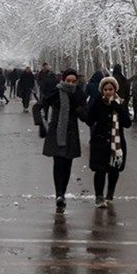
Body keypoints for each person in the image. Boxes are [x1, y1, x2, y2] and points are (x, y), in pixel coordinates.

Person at [33, 68, 87, 212]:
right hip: (57, 132)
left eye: (73, 81)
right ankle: (59, 194)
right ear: (63, 80)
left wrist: (79, 110)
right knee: (58, 163)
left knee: (67, 164)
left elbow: (85, 115)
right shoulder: (55, 92)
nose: (70, 83)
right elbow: (38, 107)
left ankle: (62, 192)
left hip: (71, 134)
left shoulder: (79, 94)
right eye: (68, 81)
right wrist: (40, 124)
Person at [86, 76, 131, 208]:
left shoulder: (120, 103)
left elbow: (127, 123)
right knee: (99, 171)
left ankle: (110, 193)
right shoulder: (97, 102)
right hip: (99, 142)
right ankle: (99, 196)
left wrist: (117, 108)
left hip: (116, 143)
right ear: (102, 90)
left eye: (110, 89)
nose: (108, 92)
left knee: (113, 170)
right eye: (105, 89)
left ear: (115, 89)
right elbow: (89, 120)